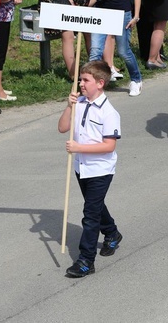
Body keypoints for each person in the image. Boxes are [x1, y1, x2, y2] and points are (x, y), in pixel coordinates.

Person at [58, 60, 124, 278]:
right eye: (80, 79)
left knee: (89, 215)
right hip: (81, 167)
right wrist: (69, 106)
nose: (81, 84)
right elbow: (62, 128)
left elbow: (109, 145)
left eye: (85, 80)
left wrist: (79, 147)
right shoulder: (80, 103)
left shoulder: (109, 112)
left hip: (100, 170)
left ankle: (86, 260)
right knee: (94, 206)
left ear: (100, 83)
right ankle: (112, 233)